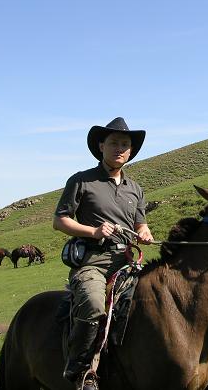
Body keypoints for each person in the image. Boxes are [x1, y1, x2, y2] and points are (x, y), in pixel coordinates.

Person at [53, 117, 154, 390]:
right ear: (101, 146)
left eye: (125, 144)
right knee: (95, 305)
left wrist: (145, 233)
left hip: (128, 262)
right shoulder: (82, 181)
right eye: (113, 143)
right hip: (93, 263)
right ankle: (82, 371)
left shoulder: (135, 189)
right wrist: (94, 231)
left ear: (131, 151)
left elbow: (140, 223)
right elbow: (60, 220)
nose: (120, 148)